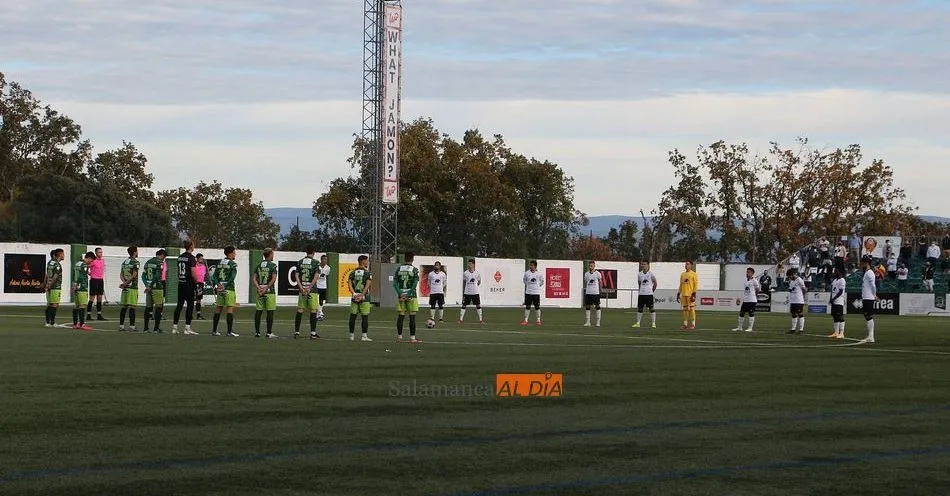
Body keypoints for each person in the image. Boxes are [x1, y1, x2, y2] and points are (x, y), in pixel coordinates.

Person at [172, 239, 201, 335]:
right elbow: (193, 273)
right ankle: (187, 328)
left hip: (181, 283)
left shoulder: (180, 257)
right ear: (191, 246)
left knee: (179, 305)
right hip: (189, 284)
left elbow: (177, 271)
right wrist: (196, 283)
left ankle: (174, 327)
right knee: (190, 305)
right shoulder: (191, 258)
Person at [210, 246, 240, 337]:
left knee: (218, 309)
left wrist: (218, 284)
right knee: (230, 309)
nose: (235, 254)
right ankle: (229, 332)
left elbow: (214, 276)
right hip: (229, 289)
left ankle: (214, 331)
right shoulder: (233, 264)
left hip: (220, 289)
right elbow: (232, 277)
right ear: (230, 253)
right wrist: (225, 285)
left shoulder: (219, 263)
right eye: (234, 252)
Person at [293, 247, 320, 339]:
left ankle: (297, 332)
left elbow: (296, 275)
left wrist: (301, 287)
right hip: (312, 290)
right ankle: (313, 333)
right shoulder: (316, 263)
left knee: (300, 310)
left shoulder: (300, 262)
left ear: (306, 252)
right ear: (313, 252)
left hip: (302, 289)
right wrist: (309, 288)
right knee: (313, 310)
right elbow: (316, 276)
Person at [393, 252, 421, 342]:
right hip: (411, 296)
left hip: (401, 296)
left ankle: (399, 337)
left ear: (404, 258)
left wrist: (400, 294)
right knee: (412, 316)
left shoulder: (398, 269)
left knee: (401, 316)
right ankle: (412, 338)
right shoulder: (414, 270)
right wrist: (408, 294)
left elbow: (394, 283)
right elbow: (414, 284)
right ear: (412, 259)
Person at [253, 248, 279, 338]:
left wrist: (259, 288)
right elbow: (273, 279)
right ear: (270, 254)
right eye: (273, 254)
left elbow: (254, 279)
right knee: (270, 312)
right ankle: (269, 333)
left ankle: (257, 332)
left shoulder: (259, 265)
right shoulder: (273, 265)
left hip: (260, 291)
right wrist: (266, 288)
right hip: (269, 292)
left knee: (258, 311)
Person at [348, 254, 373, 341]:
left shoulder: (352, 272)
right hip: (364, 297)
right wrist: (362, 295)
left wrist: (354, 294)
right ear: (363, 261)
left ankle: (351, 336)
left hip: (354, 297)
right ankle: (364, 336)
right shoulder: (367, 273)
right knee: (364, 317)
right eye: (367, 260)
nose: (368, 262)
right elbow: (368, 285)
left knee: (353, 316)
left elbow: (349, 284)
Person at [142, 249, 167, 333]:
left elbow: (143, 275)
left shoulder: (148, 262)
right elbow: (157, 276)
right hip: (157, 288)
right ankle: (156, 328)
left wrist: (147, 285)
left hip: (149, 288)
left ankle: (145, 328)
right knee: (159, 307)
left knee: (148, 307)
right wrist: (151, 285)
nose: (163, 259)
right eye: (164, 257)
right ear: (161, 255)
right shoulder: (160, 263)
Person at [118, 246, 140, 332]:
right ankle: (132, 326)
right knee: (132, 307)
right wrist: (127, 283)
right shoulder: (136, 262)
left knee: (124, 307)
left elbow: (121, 274)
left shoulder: (124, 262)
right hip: (132, 287)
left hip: (125, 288)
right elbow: (134, 275)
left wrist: (124, 283)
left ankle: (121, 326)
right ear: (134, 252)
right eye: (137, 251)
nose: (138, 252)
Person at [71, 252, 95, 330]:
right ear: (89, 258)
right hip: (82, 287)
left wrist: (74, 285)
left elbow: (75, 274)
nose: (91, 263)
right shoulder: (84, 265)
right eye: (91, 261)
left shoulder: (77, 263)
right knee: (83, 305)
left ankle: (75, 324)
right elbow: (81, 276)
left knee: (76, 305)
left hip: (76, 287)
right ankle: (82, 324)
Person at [44, 248, 65, 328]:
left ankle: (47, 322)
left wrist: (45, 284)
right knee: (55, 304)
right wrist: (50, 285)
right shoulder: (57, 265)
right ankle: (52, 323)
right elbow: (55, 277)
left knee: (50, 304)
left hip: (49, 286)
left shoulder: (50, 263)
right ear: (59, 255)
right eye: (63, 254)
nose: (64, 255)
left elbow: (47, 274)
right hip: (55, 287)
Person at [733, 267, 760, 332]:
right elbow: (745, 291)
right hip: (745, 300)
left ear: (752, 273)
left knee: (751, 313)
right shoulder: (745, 280)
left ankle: (750, 328)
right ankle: (739, 327)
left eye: (748, 272)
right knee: (741, 313)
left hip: (752, 300)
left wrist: (755, 296)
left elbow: (758, 289)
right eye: (747, 272)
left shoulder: (755, 281)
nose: (747, 273)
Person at [633, 261, 658, 329]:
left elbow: (655, 283)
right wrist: (640, 290)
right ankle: (638, 323)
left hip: (649, 294)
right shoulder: (639, 274)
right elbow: (639, 283)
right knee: (640, 308)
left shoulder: (651, 274)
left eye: (645, 264)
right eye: (642, 264)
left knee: (651, 308)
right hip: (641, 294)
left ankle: (653, 323)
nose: (643, 265)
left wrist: (651, 291)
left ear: (648, 265)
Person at [459, 258, 484, 324]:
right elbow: (464, 281)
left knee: (478, 305)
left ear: (473, 264)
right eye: (468, 263)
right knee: (464, 305)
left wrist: (474, 287)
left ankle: (481, 320)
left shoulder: (477, 273)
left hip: (475, 292)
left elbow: (479, 281)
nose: (469, 265)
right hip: (467, 292)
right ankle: (461, 320)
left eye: (470, 263)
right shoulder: (465, 273)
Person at [860, 256, 877, 344]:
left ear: (866, 263)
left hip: (868, 297)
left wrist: (874, 295)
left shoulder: (870, 273)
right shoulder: (867, 273)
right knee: (867, 316)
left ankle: (871, 336)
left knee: (868, 316)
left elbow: (873, 285)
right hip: (866, 297)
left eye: (863, 263)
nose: (862, 265)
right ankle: (870, 336)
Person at [676, 261, 698, 330]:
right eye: (685, 264)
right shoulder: (683, 274)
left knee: (691, 309)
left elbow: (696, 284)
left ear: (691, 265)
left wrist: (694, 293)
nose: (686, 265)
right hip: (684, 294)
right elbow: (681, 285)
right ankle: (685, 324)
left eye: (688, 264)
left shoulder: (693, 274)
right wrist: (679, 293)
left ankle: (693, 324)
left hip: (690, 294)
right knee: (685, 310)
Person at [521, 260, 544, 326]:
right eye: (530, 265)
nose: (531, 266)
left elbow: (542, 281)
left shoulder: (539, 273)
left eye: (532, 265)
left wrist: (536, 286)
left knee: (537, 307)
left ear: (535, 266)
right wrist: (528, 285)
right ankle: (525, 320)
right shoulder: (526, 273)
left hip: (536, 293)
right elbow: (524, 280)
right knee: (527, 306)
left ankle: (538, 320)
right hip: (528, 292)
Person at [87, 247, 106, 321]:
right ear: (96, 253)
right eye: (99, 252)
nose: (100, 254)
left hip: (100, 280)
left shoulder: (103, 261)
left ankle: (99, 314)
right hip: (94, 280)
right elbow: (85, 267)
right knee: (92, 298)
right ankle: (88, 315)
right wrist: (90, 274)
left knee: (100, 297)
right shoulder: (93, 261)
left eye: (101, 252)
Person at [786, 268, 806, 335]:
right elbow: (790, 289)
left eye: (790, 276)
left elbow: (804, 289)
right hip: (793, 300)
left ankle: (801, 330)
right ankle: (793, 329)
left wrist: (802, 296)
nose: (789, 278)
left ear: (793, 274)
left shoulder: (799, 280)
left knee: (800, 314)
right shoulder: (792, 281)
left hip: (799, 300)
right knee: (793, 314)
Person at [828, 268, 846, 339]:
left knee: (840, 316)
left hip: (839, 301)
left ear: (838, 272)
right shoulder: (834, 280)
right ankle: (836, 332)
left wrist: (834, 298)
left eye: (835, 272)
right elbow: (832, 291)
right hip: (834, 301)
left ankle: (841, 333)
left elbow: (841, 292)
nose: (834, 274)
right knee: (835, 316)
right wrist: (830, 299)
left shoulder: (842, 280)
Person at [583, 261, 602, 327]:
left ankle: (598, 322)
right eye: (590, 265)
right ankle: (588, 322)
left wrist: (600, 289)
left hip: (596, 293)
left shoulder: (598, 273)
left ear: (594, 266)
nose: (590, 267)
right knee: (587, 307)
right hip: (588, 293)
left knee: (597, 306)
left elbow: (600, 282)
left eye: (592, 265)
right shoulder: (586, 274)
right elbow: (586, 282)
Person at [315, 254, 331, 320]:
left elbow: (326, 276)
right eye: (324, 259)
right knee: (316, 300)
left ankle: (319, 313)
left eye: (326, 260)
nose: (325, 261)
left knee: (321, 300)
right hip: (317, 285)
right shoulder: (317, 266)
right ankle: (319, 313)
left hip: (323, 286)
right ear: (321, 259)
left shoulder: (328, 268)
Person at [194, 253, 208, 320]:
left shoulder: (204, 266)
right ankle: (189, 315)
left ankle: (198, 315)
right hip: (194, 283)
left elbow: (203, 275)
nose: (201, 260)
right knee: (191, 299)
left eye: (202, 259)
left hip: (201, 283)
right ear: (197, 258)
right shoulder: (194, 265)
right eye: (200, 258)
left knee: (198, 299)